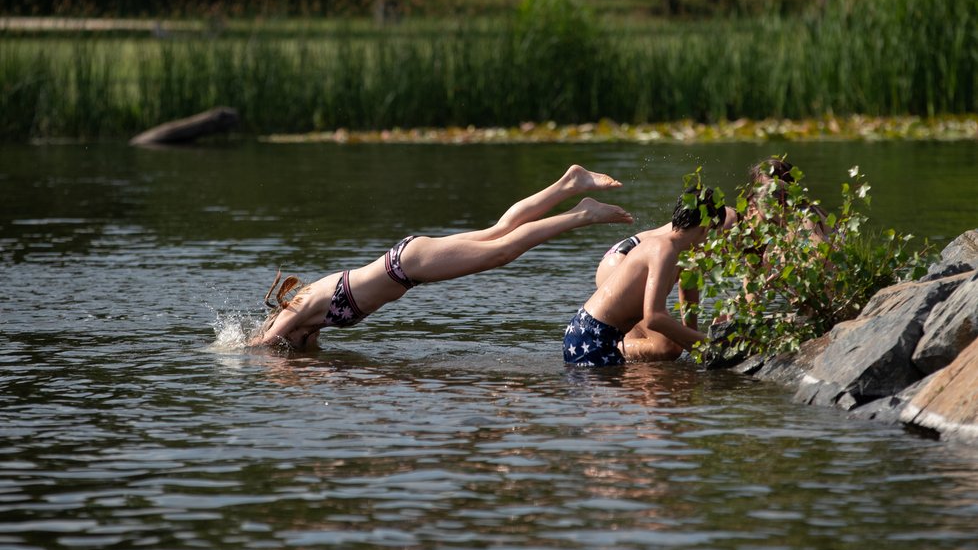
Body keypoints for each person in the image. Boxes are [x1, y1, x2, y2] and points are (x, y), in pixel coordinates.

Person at [250, 165, 634, 350]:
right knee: (497, 233)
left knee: (502, 251)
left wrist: (232, 353)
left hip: (406, 266)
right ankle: (570, 183)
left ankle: (583, 213)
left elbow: (265, 347)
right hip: (407, 263)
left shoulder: (294, 312)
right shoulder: (307, 324)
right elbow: (307, 357)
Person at [564, 186, 733, 367]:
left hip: (599, 335)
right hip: (591, 336)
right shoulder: (663, 249)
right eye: (718, 233)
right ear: (707, 228)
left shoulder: (678, 252)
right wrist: (708, 344)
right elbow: (654, 317)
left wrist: (697, 343)